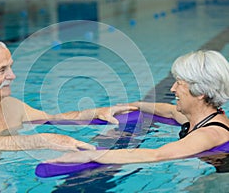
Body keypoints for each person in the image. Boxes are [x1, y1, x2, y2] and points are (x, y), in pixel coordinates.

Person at [0, 38, 132, 152]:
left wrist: (97, 112)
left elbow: (53, 119)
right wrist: (43, 141)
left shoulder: (10, 105)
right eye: (2, 70)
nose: (12, 76)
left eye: (10, 67)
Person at [49, 50, 229, 164]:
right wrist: (134, 105)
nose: (173, 88)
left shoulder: (208, 134)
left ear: (200, 92)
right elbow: (169, 110)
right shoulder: (200, 117)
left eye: (179, 84)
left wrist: (92, 155)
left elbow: (157, 155)